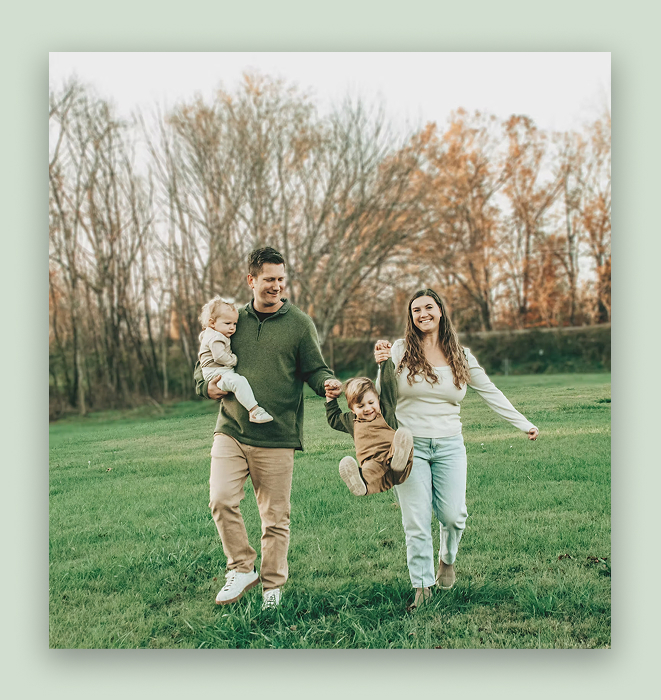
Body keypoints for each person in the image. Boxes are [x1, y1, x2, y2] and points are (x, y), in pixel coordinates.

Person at [194, 247, 341, 610]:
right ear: (252, 280)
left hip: (277, 435)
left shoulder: (299, 324)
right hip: (231, 428)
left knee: (275, 518)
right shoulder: (233, 320)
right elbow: (205, 364)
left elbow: (314, 369)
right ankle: (242, 568)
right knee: (221, 500)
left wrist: (327, 383)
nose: (276, 286)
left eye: (281, 279)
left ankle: (272, 586)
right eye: (269, 280)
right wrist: (207, 386)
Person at [374, 289, 539, 610]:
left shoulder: (460, 356)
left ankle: (446, 560)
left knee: (453, 517)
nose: (423, 314)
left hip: (450, 445)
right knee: (416, 521)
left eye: (428, 308)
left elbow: (491, 391)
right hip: (408, 447)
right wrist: (381, 366)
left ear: (440, 311)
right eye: (416, 310)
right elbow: (384, 398)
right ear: (410, 316)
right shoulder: (400, 350)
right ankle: (422, 588)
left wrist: (524, 423)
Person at [324, 369, 413, 496]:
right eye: (360, 406)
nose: (367, 409)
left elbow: (388, 385)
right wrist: (331, 398)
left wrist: (385, 361)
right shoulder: (351, 420)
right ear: (352, 409)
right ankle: (361, 483)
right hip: (375, 467)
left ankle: (397, 461)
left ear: (378, 399)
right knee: (369, 470)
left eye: (371, 403)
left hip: (397, 461)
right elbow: (334, 419)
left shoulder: (385, 410)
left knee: (403, 437)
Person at [198, 296, 273, 424]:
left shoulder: (212, 333)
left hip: (218, 371)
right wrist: (233, 360)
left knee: (237, 381)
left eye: (234, 324)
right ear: (212, 323)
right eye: (227, 323)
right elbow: (219, 356)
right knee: (238, 382)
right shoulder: (216, 338)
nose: (232, 328)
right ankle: (254, 411)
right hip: (216, 373)